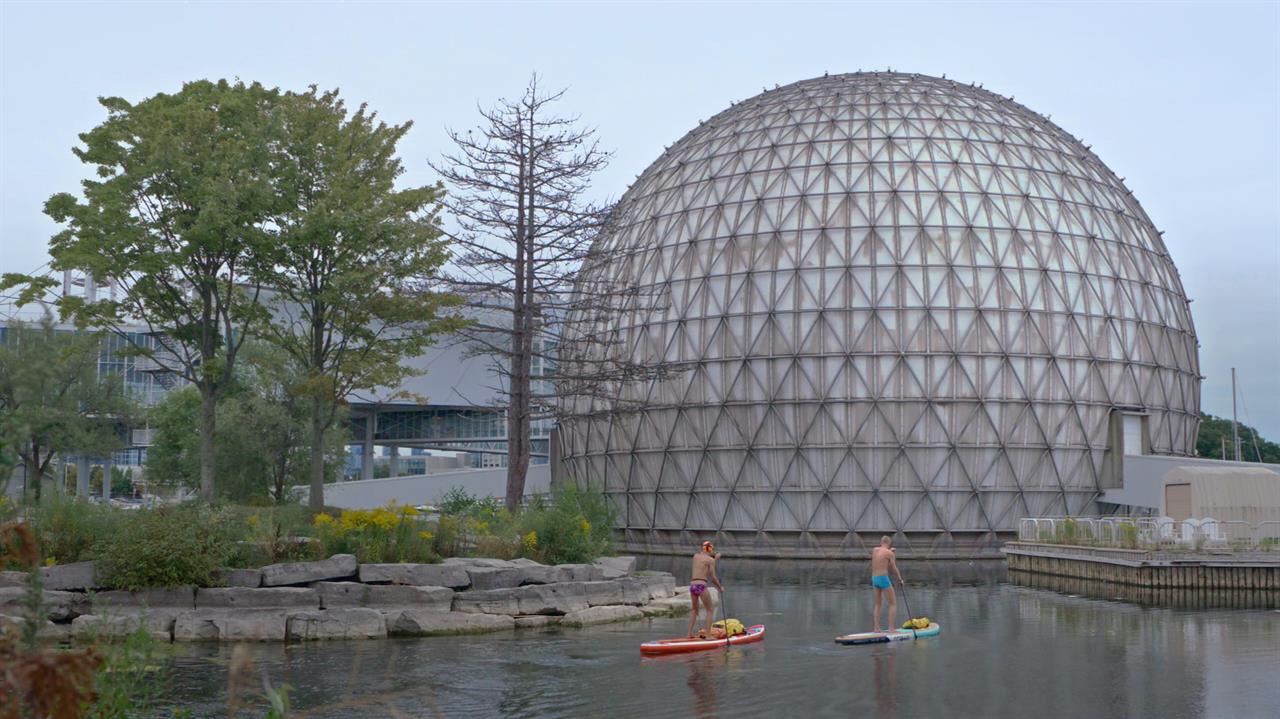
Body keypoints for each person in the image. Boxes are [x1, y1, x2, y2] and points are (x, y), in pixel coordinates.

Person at [687, 540, 724, 638]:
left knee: (694, 610)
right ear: (710, 549)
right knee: (710, 610)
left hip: (693, 585)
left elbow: (704, 570)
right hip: (701, 585)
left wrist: (713, 559)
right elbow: (713, 578)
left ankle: (689, 634)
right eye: (712, 549)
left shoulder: (695, 556)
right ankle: (708, 635)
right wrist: (720, 588)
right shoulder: (710, 560)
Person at [870, 535, 904, 632]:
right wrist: (900, 579)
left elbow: (883, 562)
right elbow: (893, 567)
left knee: (877, 604)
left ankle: (876, 628)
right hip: (883, 578)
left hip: (874, 578)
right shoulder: (889, 553)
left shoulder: (875, 550)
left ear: (881, 542)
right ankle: (891, 628)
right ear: (889, 543)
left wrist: (891, 553)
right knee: (893, 603)